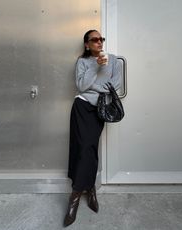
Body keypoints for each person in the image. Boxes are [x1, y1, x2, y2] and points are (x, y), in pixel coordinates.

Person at [63, 29, 121, 227]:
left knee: (89, 148)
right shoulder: (83, 62)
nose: (99, 42)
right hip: (81, 107)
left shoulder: (113, 60)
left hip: (100, 109)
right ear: (87, 44)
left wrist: (95, 87)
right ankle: (81, 194)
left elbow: (114, 86)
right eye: (94, 40)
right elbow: (81, 86)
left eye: (101, 39)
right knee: (82, 149)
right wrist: (95, 68)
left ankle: (80, 193)